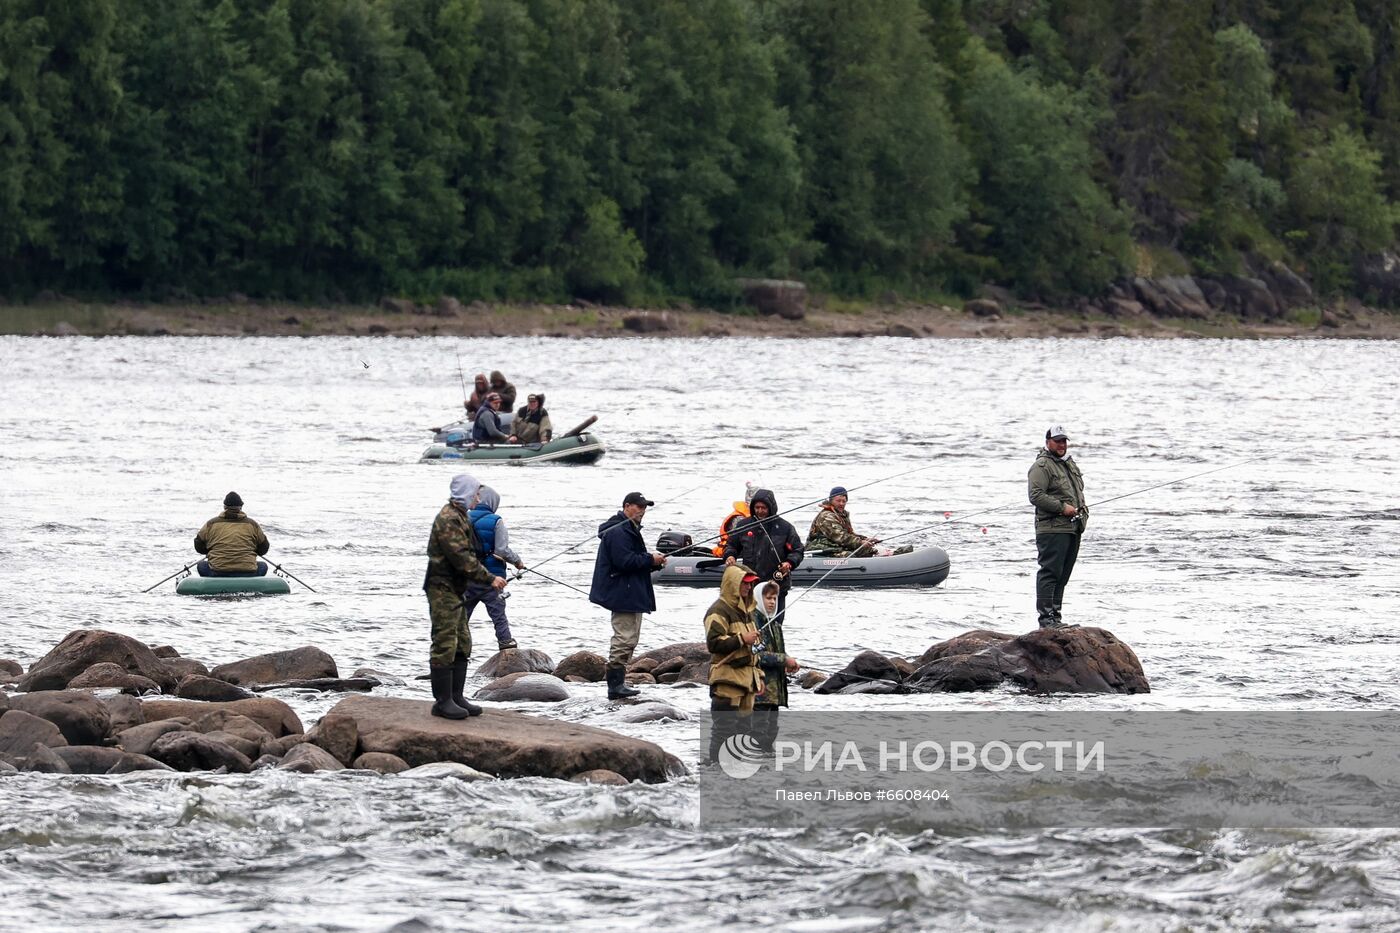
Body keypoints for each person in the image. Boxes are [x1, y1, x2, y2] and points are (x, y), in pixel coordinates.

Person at [424, 473, 509, 719]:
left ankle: (457, 697)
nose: (478, 497)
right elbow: (460, 557)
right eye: (476, 493)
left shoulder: (462, 516)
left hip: (458, 588)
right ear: (466, 493)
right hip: (443, 588)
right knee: (445, 641)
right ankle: (442, 702)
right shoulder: (449, 519)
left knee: (462, 641)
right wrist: (490, 578)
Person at [589, 491, 667, 699]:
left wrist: (652, 562)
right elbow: (624, 561)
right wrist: (651, 560)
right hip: (622, 591)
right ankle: (615, 686)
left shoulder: (628, 529)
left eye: (644, 508)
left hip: (628, 590)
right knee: (624, 638)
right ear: (626, 506)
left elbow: (631, 561)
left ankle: (619, 682)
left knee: (630, 638)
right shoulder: (618, 531)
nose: (642, 511)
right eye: (639, 506)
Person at [1028, 424, 1087, 629]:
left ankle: (1056, 618)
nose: (1062, 445)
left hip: (1072, 527)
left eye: (1064, 441)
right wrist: (1063, 508)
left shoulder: (1068, 464)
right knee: (1050, 572)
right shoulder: (1041, 466)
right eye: (1057, 441)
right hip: (1052, 529)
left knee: (1063, 574)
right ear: (1048, 442)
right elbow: (1035, 495)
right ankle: (1046, 620)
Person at [704, 565, 764, 764]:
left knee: (743, 731)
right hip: (727, 682)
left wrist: (760, 676)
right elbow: (713, 644)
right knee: (723, 731)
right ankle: (716, 769)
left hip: (747, 683)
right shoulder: (718, 611)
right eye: (744, 584)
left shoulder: (747, 612)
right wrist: (741, 639)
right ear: (733, 584)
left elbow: (753, 649)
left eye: (750, 584)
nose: (748, 588)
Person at [722, 488, 804, 620]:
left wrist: (789, 563)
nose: (760, 511)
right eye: (757, 507)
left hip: (776, 586)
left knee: (775, 624)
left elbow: (797, 550)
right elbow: (731, 545)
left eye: (763, 508)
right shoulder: (744, 525)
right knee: (751, 624)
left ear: (770, 508)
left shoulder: (785, 528)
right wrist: (730, 556)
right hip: (751, 586)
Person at [466, 486, 526, 650]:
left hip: (468, 576)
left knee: (462, 616)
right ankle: (505, 643)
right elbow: (502, 550)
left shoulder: (463, 518)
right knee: (498, 614)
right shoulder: (496, 520)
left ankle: (456, 648)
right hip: (493, 577)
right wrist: (518, 562)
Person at [752, 580, 798, 753]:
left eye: (774, 598)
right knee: (757, 735)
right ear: (757, 598)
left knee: (771, 735)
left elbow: (778, 654)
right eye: (768, 598)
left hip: (774, 693)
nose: (772, 602)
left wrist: (788, 663)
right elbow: (755, 655)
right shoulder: (754, 623)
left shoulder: (775, 625)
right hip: (760, 692)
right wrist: (783, 659)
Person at [806, 486, 913, 557]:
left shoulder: (841, 515)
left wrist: (865, 539)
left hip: (835, 546)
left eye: (844, 501)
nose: (842, 503)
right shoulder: (827, 516)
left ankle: (894, 554)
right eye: (838, 501)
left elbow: (849, 534)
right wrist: (860, 542)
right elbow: (840, 537)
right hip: (823, 548)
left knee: (867, 549)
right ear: (831, 501)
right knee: (849, 555)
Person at [194, 492, 270, 577]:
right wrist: (253, 550)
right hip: (248, 572)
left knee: (201, 565)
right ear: (240, 507)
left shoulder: (211, 524)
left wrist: (210, 551)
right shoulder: (252, 524)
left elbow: (198, 545)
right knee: (263, 566)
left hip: (217, 571)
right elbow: (264, 548)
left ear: (224, 507)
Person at [710, 481, 758, 557]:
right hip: (729, 552)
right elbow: (742, 543)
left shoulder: (760, 517)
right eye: (757, 505)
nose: (760, 509)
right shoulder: (739, 519)